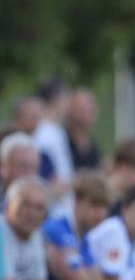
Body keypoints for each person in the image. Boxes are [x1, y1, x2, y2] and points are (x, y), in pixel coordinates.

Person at [0, 177, 78, 280]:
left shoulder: (36, 234)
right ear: (8, 206)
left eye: (39, 208)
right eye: (25, 205)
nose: (32, 213)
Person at [43, 171, 110, 280]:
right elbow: (74, 270)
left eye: (104, 207)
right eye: (94, 205)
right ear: (77, 201)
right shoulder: (57, 227)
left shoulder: (84, 237)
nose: (100, 214)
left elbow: (94, 276)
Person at [33, 80, 75, 217]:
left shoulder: (55, 130)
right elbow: (45, 179)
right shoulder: (46, 133)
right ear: (57, 99)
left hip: (61, 210)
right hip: (54, 213)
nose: (69, 103)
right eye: (66, 98)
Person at [66, 88, 101, 171]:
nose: (86, 113)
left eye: (89, 108)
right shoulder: (61, 142)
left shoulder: (93, 148)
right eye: (81, 108)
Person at [0, 133, 40, 202]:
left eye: (33, 167)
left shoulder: (44, 203)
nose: (28, 173)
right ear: (3, 167)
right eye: (22, 166)